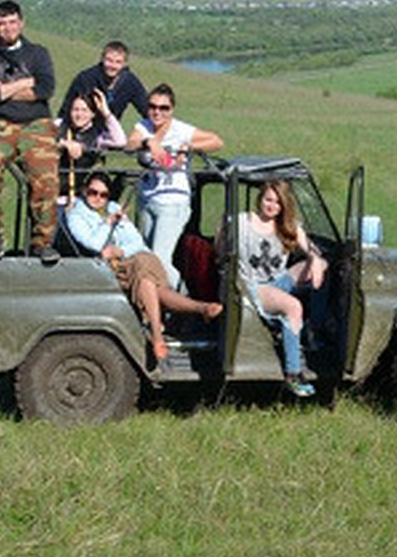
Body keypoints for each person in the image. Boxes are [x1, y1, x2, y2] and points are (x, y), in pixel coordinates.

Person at [65, 172, 222, 361]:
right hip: (117, 266)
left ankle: (159, 333)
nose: (98, 198)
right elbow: (94, 244)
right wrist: (107, 224)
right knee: (148, 282)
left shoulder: (114, 207)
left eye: (103, 195)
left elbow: (136, 241)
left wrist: (119, 250)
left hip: (137, 255)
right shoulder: (76, 215)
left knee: (145, 270)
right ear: (84, 191)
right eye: (93, 193)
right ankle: (193, 312)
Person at [0, 0, 60, 264]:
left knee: (46, 178)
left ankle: (42, 242)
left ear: (21, 22)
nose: (7, 28)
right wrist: (24, 84)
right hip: (1, 123)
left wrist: (3, 89)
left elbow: (45, 89)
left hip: (37, 124)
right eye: (1, 23)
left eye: (12, 22)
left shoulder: (38, 53)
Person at [233, 180, 326, 398]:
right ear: (260, 198)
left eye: (277, 202)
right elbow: (221, 247)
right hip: (255, 285)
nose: (272, 206)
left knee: (322, 266)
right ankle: (293, 373)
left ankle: (315, 329)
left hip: (278, 280)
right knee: (293, 307)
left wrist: (314, 260)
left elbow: (311, 249)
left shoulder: (288, 225)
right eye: (268, 200)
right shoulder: (242, 222)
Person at [126, 84, 223, 289]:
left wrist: (189, 147)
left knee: (159, 260)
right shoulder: (143, 126)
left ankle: (186, 302)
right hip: (147, 200)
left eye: (164, 108)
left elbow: (216, 141)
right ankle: (161, 307)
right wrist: (149, 142)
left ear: (172, 110)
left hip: (172, 202)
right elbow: (130, 144)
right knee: (145, 257)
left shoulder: (181, 130)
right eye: (152, 106)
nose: (157, 112)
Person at [58, 41, 148, 124]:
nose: (112, 66)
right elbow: (67, 107)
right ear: (102, 59)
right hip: (84, 127)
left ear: (125, 64)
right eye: (109, 60)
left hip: (111, 130)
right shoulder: (86, 78)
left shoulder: (130, 82)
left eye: (118, 62)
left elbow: (146, 108)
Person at [56, 90, 126, 194]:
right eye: (75, 110)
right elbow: (40, 139)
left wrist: (106, 112)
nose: (79, 114)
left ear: (93, 114)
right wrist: (65, 143)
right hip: (52, 192)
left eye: (85, 110)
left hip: (80, 195)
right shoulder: (59, 125)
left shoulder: (98, 136)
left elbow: (121, 142)